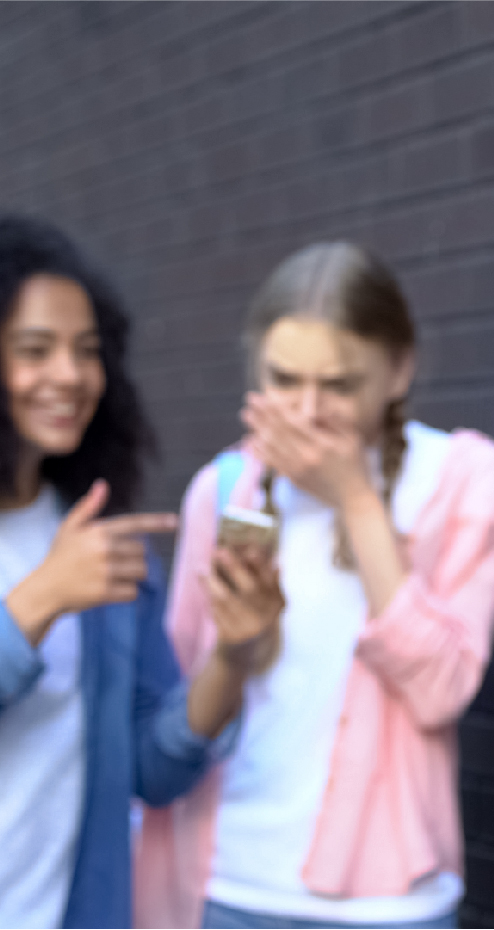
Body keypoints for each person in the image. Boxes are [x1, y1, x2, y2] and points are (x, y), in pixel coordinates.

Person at [136, 242, 494, 929]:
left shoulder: (465, 477)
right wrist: (235, 650)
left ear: (399, 370)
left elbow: (442, 690)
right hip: (232, 885)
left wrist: (357, 500)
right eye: (284, 380)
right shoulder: (221, 489)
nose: (308, 411)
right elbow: (179, 712)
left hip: (391, 902)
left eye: (339, 385)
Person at [0, 215, 281, 929]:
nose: (70, 375)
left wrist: (233, 655)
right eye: (35, 349)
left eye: (87, 351)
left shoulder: (103, 541)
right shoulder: (75, 565)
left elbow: (151, 770)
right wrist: (40, 598)